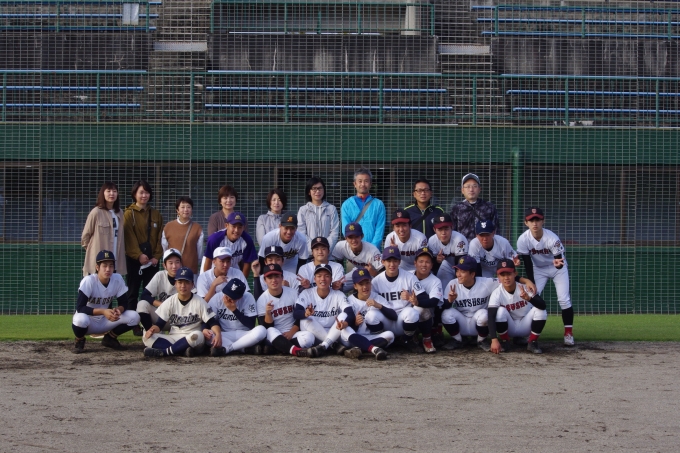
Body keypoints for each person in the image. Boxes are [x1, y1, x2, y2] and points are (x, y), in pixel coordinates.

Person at [441, 255, 536, 351]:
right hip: (462, 322)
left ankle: (481, 340)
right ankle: (458, 340)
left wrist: (526, 281)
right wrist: (449, 301)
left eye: (463, 271)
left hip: (480, 323)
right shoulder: (453, 284)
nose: (458, 274)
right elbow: (443, 306)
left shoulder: (486, 283)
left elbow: (506, 278)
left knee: (483, 313)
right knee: (446, 313)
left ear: (472, 274)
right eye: (457, 270)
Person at [516, 207, 574, 346]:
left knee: (564, 299)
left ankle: (568, 333)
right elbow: (527, 263)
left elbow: (559, 262)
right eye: (531, 220)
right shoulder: (523, 239)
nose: (535, 223)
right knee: (531, 297)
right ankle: (526, 332)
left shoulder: (552, 238)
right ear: (526, 223)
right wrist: (531, 282)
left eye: (537, 220)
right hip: (538, 269)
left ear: (543, 221)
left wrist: (557, 265)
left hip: (557, 269)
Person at [142, 267, 221, 357]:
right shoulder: (170, 301)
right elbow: (159, 324)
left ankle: (165, 352)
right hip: (173, 337)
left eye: (186, 282)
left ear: (192, 285)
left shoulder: (200, 302)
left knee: (198, 335)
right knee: (147, 337)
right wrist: (152, 330)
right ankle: (182, 350)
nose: (183, 286)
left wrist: (218, 334)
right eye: (180, 282)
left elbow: (212, 322)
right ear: (175, 284)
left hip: (192, 337)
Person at [72, 250, 140, 353]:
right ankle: (79, 340)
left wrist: (118, 310)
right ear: (97, 267)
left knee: (134, 317)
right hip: (89, 321)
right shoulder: (89, 281)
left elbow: (124, 303)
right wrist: (103, 311)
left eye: (111, 266)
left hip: (105, 320)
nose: (108, 269)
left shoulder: (117, 279)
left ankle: (110, 338)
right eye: (104, 266)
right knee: (80, 320)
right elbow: (80, 308)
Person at [365, 247, 430, 348]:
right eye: (389, 261)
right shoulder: (376, 281)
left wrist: (413, 299)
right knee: (370, 315)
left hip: (403, 318)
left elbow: (424, 298)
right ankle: (381, 340)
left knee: (414, 312)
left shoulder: (409, 277)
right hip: (385, 318)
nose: (392, 264)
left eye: (395, 261)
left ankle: (406, 340)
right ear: (383, 262)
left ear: (399, 262)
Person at [123, 180, 164, 321]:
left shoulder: (156, 214)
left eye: (147, 192)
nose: (144, 195)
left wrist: (156, 256)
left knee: (150, 294)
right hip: (133, 260)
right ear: (134, 194)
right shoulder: (128, 214)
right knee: (132, 293)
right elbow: (128, 237)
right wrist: (138, 255)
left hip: (152, 261)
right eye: (141, 192)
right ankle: (131, 323)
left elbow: (160, 237)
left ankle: (149, 323)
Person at [487, 260, 548, 354]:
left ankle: (532, 342)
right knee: (500, 311)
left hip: (526, 325)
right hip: (509, 328)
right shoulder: (497, 293)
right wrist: (494, 339)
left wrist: (529, 299)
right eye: (503, 275)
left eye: (509, 274)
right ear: (498, 277)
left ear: (515, 273)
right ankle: (505, 341)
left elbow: (543, 305)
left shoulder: (525, 287)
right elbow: (491, 316)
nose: (506, 278)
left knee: (541, 311)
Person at [256, 263, 315, 357]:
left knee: (309, 338)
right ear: (265, 280)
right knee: (270, 331)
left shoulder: (293, 293)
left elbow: (299, 316)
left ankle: (280, 348)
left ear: (282, 277)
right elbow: (266, 327)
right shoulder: (262, 300)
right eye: (270, 277)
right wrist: (268, 313)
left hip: (293, 332)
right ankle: (295, 350)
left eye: (277, 276)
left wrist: (291, 332)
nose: (274, 280)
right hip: (275, 335)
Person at [334, 268, 393, 360]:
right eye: (361, 284)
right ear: (355, 286)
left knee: (390, 335)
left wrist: (379, 306)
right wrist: (355, 324)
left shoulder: (377, 298)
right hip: (351, 338)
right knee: (345, 329)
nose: (365, 287)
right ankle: (372, 349)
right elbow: (343, 324)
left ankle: (358, 349)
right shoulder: (349, 301)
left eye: (367, 283)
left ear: (371, 283)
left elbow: (393, 316)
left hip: (370, 336)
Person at [294, 264, 350, 357]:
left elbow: (349, 312)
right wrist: (306, 313)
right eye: (319, 276)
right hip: (313, 332)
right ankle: (333, 345)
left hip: (333, 331)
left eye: (327, 276)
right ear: (314, 279)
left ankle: (324, 345)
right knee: (306, 319)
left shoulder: (338, 294)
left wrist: (345, 323)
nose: (323, 279)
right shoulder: (307, 293)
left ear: (331, 279)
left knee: (343, 316)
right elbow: (296, 313)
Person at [207, 279, 267, 356]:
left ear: (240, 296)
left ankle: (227, 349)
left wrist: (234, 310)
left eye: (232, 297)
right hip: (225, 334)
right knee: (208, 336)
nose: (228, 298)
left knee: (262, 330)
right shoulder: (217, 298)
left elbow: (251, 324)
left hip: (245, 335)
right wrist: (217, 333)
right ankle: (243, 349)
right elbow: (210, 320)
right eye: (227, 294)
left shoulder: (248, 297)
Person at [81, 182, 126, 277]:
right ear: (103, 193)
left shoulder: (120, 213)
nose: (112, 194)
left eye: (114, 191)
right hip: (98, 260)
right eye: (108, 191)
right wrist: (92, 251)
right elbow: (86, 236)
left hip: (115, 259)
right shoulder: (96, 212)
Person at [136, 248, 183, 331]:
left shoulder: (185, 277)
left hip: (180, 319)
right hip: (162, 318)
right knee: (142, 304)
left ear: (181, 264)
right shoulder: (160, 275)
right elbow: (144, 295)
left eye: (177, 262)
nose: (174, 266)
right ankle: (151, 333)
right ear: (164, 265)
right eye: (170, 263)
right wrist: (162, 304)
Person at [340, 168, 386, 249]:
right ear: (354, 184)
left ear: (370, 184)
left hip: (373, 250)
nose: (363, 184)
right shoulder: (346, 205)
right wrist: (355, 247)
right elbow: (345, 230)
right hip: (353, 250)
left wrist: (372, 248)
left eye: (366, 181)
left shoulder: (379, 205)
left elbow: (380, 230)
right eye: (360, 181)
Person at [202, 212, 257, 277]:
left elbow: (247, 263)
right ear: (226, 225)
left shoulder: (247, 240)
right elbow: (208, 260)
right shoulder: (215, 239)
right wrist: (207, 278)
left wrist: (242, 280)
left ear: (243, 228)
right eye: (233, 226)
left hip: (232, 266)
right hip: (213, 266)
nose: (236, 230)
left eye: (239, 227)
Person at [332, 222, 384, 290]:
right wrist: (339, 278)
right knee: (338, 286)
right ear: (346, 238)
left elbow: (384, 275)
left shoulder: (372, 251)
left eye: (356, 236)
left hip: (371, 274)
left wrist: (374, 273)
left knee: (373, 290)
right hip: (357, 271)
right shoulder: (341, 246)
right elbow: (338, 264)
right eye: (350, 237)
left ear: (362, 236)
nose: (354, 240)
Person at [449, 173, 500, 241]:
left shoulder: (489, 207)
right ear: (462, 190)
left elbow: (496, 231)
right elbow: (452, 233)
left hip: (484, 246)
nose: (471, 189)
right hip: (463, 246)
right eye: (468, 186)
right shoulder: (456, 209)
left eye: (474, 186)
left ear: (479, 189)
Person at [411, 247, 443, 353]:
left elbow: (434, 302)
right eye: (421, 261)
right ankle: (410, 337)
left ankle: (427, 339)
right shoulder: (407, 275)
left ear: (432, 265)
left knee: (421, 309)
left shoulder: (435, 281)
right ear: (415, 263)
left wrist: (418, 302)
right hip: (406, 315)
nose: (424, 265)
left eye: (427, 262)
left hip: (427, 318)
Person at [161, 196, 203, 276]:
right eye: (182, 207)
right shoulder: (168, 227)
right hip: (173, 270)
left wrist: (195, 262)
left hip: (191, 269)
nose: (186, 210)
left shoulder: (197, 228)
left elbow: (200, 250)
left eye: (188, 207)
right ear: (177, 210)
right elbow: (164, 248)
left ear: (192, 210)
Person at [297, 176, 340, 254]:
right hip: (309, 255)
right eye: (314, 188)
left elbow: (334, 232)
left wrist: (325, 249)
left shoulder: (331, 209)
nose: (317, 191)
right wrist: (313, 250)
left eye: (320, 188)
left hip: (327, 255)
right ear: (309, 192)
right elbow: (301, 233)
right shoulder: (303, 210)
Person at [427, 213, 468, 287]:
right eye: (440, 229)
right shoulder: (432, 241)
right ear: (434, 229)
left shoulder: (459, 239)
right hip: (447, 265)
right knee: (442, 287)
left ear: (452, 227)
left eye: (446, 229)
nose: (443, 233)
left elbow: (461, 264)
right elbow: (432, 268)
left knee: (460, 286)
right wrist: (437, 261)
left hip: (463, 266)